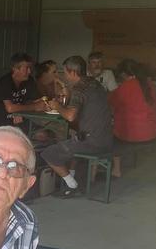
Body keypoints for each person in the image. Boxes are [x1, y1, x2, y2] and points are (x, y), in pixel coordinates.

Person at [41, 56, 113, 198]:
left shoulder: (79, 89)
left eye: (65, 72)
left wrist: (57, 106)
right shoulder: (95, 83)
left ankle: (72, 185)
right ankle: (71, 180)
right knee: (73, 138)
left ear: (73, 72)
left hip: (93, 142)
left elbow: (70, 116)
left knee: (48, 153)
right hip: (106, 138)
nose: (64, 75)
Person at [109, 59, 156, 177]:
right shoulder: (149, 84)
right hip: (152, 132)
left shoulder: (126, 86)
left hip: (135, 135)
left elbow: (110, 102)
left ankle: (116, 170)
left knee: (109, 135)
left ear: (123, 74)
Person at [0, 52, 45, 133]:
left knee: (45, 134)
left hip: (16, 122)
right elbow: (10, 108)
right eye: (26, 68)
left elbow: (39, 100)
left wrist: (46, 104)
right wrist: (34, 107)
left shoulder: (29, 81)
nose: (29, 71)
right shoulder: (5, 82)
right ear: (15, 69)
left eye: (30, 68)